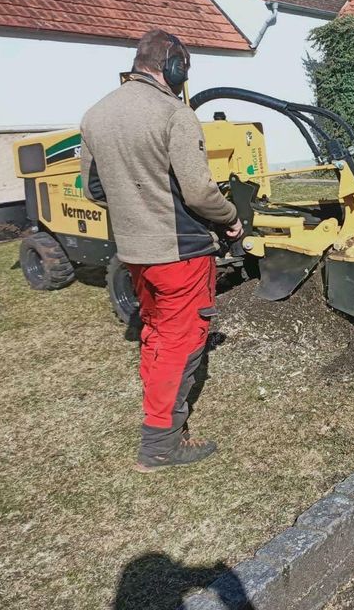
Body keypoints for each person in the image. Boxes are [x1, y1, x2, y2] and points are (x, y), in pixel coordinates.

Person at [79, 29, 243, 472]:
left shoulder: (96, 114)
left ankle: (161, 422)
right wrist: (230, 219)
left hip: (133, 251)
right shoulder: (175, 114)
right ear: (173, 67)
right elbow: (199, 192)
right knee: (181, 340)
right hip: (180, 253)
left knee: (154, 331)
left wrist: (136, 209)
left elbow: (94, 190)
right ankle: (160, 445)